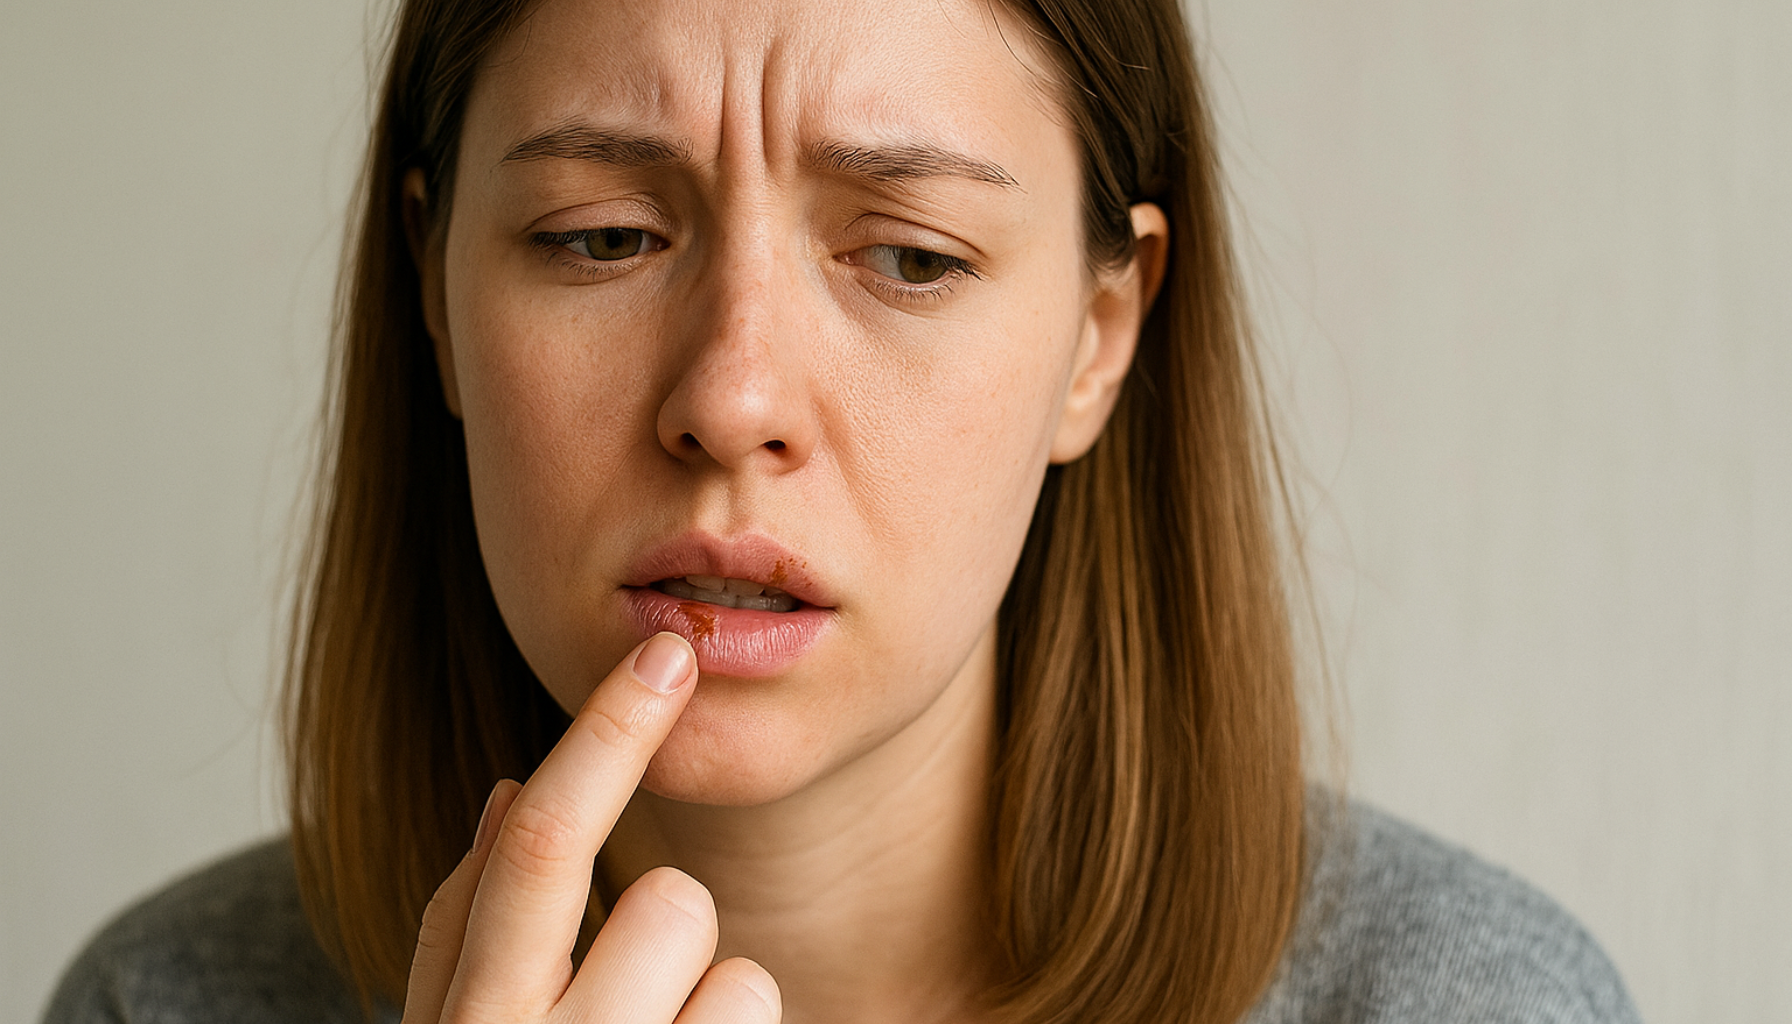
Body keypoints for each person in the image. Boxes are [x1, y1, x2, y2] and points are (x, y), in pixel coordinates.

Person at [43, 0, 1643, 1022]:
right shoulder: (165, 1000)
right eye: (602, 236)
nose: (733, 398)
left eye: (911, 257)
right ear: (434, 295)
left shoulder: (1465, 1001)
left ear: (1100, 338)